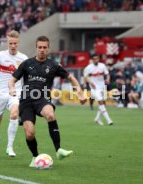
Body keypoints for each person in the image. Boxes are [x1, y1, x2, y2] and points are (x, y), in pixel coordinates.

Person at [8, 36, 86, 167]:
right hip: (26, 101)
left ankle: (59, 150)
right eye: (40, 47)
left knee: (50, 114)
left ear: (48, 48)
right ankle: (35, 157)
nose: (42, 50)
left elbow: (71, 78)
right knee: (29, 133)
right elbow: (12, 80)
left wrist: (80, 93)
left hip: (41, 99)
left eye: (44, 47)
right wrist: (11, 89)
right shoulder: (27, 63)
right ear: (36, 48)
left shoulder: (53, 65)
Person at [84, 53, 113, 126]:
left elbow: (107, 73)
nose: (96, 60)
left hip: (102, 86)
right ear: (92, 60)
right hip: (94, 88)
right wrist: (90, 82)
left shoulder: (102, 66)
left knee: (103, 103)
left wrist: (108, 79)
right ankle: (109, 120)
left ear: (99, 59)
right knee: (100, 102)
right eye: (94, 59)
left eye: (97, 58)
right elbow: (86, 77)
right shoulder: (88, 67)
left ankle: (97, 118)